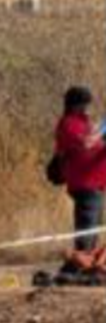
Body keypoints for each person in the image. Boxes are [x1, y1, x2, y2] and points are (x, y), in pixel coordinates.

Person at [54, 86, 106, 254]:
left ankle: (89, 261)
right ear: (74, 104)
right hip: (84, 182)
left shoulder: (85, 121)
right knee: (87, 227)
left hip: (97, 183)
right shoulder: (68, 123)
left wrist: (101, 131)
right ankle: (80, 261)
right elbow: (87, 143)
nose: (86, 108)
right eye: (84, 104)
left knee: (95, 227)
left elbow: (96, 139)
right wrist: (103, 131)